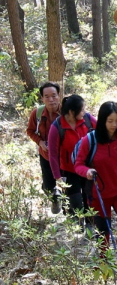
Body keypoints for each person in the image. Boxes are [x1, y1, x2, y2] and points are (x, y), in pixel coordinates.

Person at [74, 102, 117, 275]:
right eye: (110, 121)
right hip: (98, 195)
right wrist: (87, 171)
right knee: (103, 233)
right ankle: (104, 266)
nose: (114, 125)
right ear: (102, 120)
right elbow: (78, 164)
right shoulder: (90, 140)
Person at [48, 94, 96, 218]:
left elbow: (103, 131)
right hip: (69, 171)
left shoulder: (87, 119)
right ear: (71, 112)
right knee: (75, 203)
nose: (84, 112)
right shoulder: (57, 127)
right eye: (81, 110)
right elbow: (52, 154)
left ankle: (91, 226)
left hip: (87, 168)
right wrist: (57, 177)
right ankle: (77, 228)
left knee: (89, 199)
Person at [26, 81, 62, 213]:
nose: (51, 99)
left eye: (54, 95)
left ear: (59, 95)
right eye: (47, 96)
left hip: (63, 157)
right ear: (42, 98)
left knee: (69, 185)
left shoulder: (66, 112)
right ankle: (55, 199)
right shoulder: (37, 113)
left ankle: (70, 212)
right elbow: (30, 131)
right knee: (48, 186)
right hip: (45, 156)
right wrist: (40, 142)